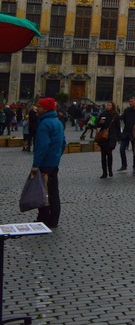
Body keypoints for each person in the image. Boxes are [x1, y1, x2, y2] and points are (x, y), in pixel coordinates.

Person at [32, 97, 65, 228]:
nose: (37, 108)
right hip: (54, 162)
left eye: (39, 106)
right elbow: (63, 143)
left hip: (44, 163)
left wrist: (36, 164)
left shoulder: (44, 124)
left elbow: (42, 145)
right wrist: (57, 156)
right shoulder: (58, 122)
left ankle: (44, 218)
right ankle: (54, 219)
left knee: (43, 192)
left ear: (45, 109)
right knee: (53, 192)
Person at [97, 102, 121, 179]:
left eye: (109, 105)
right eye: (107, 105)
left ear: (113, 106)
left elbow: (118, 127)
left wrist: (119, 138)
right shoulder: (103, 114)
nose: (108, 106)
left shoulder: (116, 115)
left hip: (112, 136)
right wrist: (100, 123)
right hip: (103, 137)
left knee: (109, 153)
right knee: (103, 155)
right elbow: (97, 124)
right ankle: (104, 172)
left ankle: (110, 169)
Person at [119, 97, 135, 172]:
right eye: (129, 101)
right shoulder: (126, 111)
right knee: (122, 149)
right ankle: (124, 165)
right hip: (126, 133)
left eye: (132, 101)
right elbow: (122, 119)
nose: (130, 103)